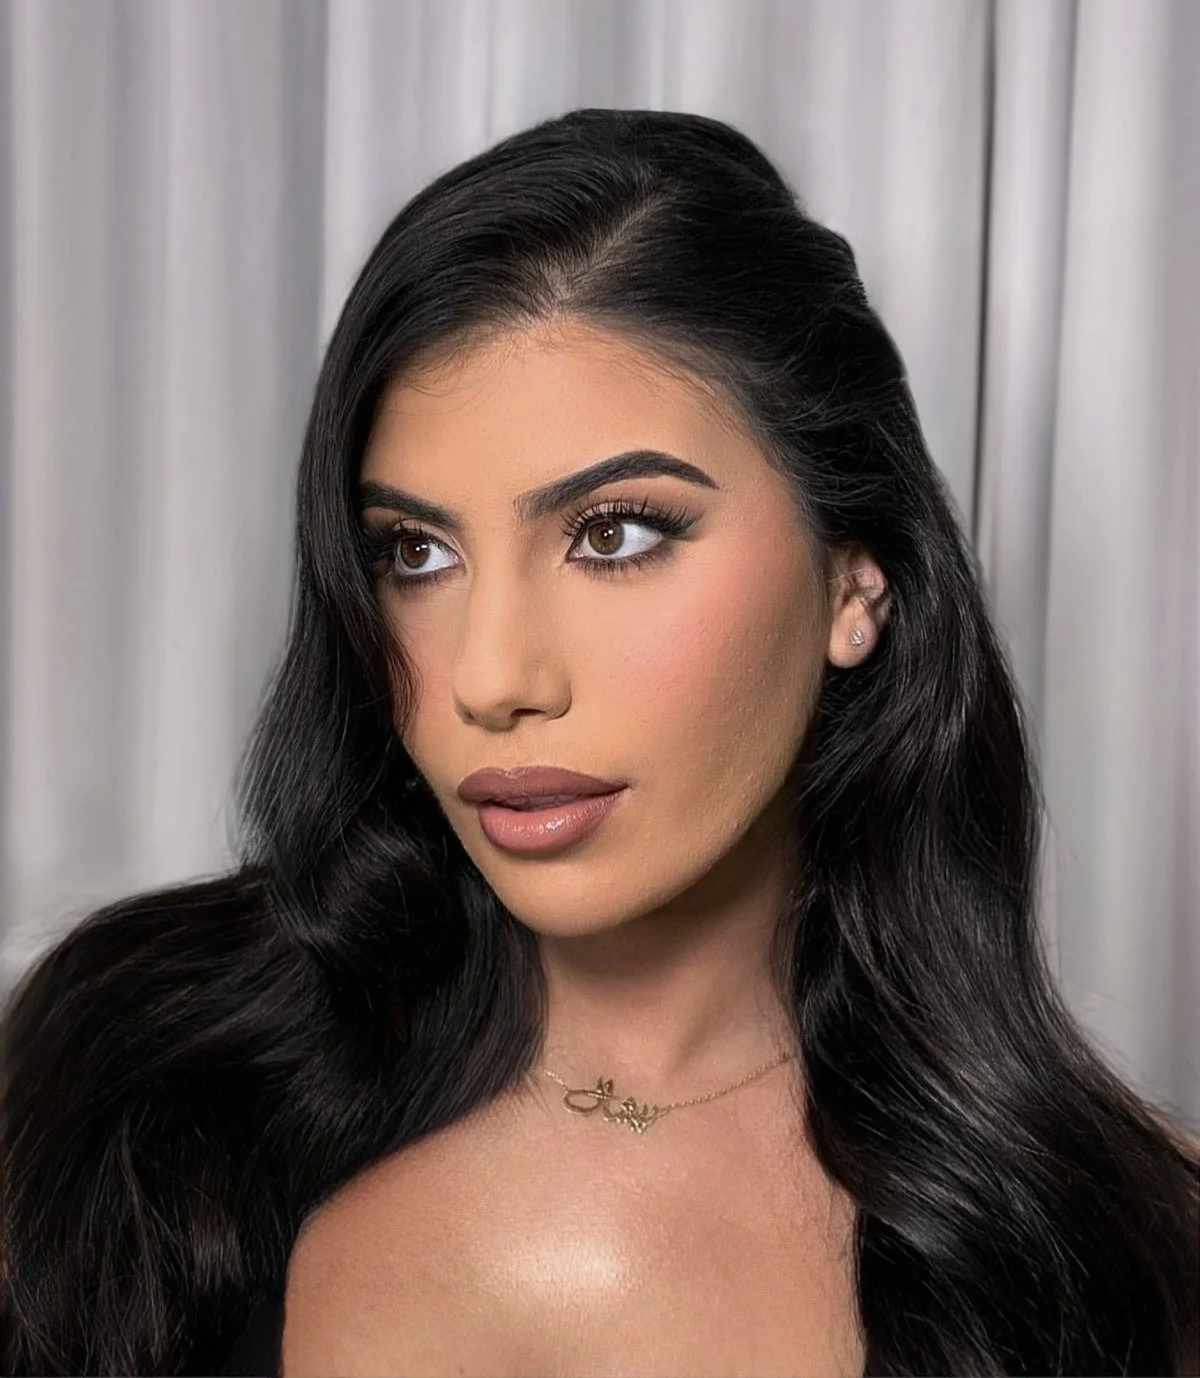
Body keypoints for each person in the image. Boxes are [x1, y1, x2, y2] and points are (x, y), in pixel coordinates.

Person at [1, 108, 1197, 1377]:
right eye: (417, 552)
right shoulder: (137, 1083)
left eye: (617, 533)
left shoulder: (1116, 1247)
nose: (493, 677)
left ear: (856, 579)